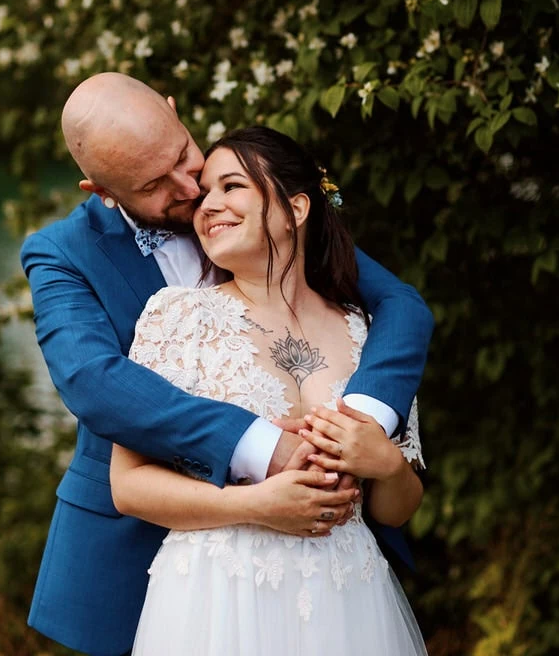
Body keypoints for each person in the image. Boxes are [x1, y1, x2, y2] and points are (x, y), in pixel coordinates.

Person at [21, 73, 433, 656]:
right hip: (164, 561)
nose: (190, 190)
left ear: (174, 112)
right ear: (100, 190)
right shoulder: (64, 255)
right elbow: (95, 382)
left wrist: (365, 427)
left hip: (337, 579)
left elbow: (401, 306)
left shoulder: (248, 196)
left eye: (183, 156)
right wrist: (267, 450)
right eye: (154, 184)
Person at [110, 126, 428, 655]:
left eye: (232, 186)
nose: (207, 205)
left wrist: (389, 466)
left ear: (296, 208)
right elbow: (130, 485)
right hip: (219, 599)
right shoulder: (177, 318)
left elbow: (396, 509)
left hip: (349, 599)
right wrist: (257, 504)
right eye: (204, 192)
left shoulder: (366, 330)